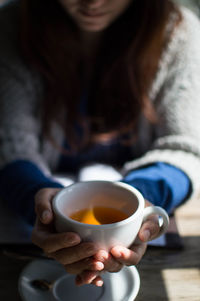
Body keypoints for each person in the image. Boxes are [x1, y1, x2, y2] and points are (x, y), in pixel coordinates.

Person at [0, 0, 200, 287]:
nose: (93, 2)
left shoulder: (179, 34)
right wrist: (37, 201)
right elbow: (7, 144)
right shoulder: (11, 29)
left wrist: (141, 201)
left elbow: (187, 148)